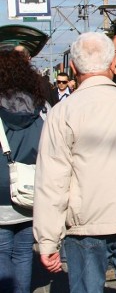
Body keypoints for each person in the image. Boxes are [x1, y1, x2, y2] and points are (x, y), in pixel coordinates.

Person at [33, 32, 116, 293]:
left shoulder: (63, 113)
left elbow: (52, 181)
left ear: (72, 67)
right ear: (110, 65)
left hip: (85, 227)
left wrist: (47, 241)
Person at [0, 50, 47, 293]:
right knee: (23, 254)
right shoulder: (37, 109)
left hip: (0, 194)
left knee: (2, 252)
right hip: (30, 191)